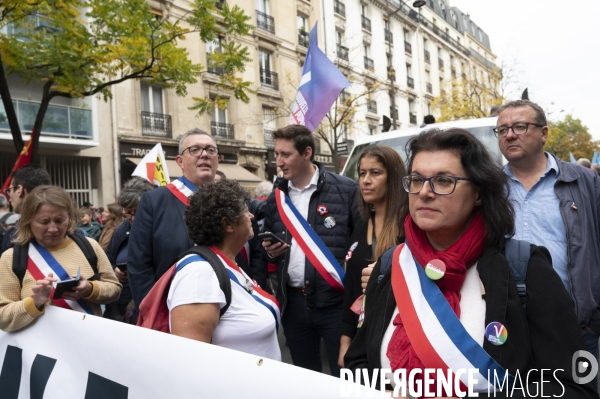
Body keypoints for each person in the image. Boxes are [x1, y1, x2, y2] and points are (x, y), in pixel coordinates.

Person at [344, 128, 597, 397]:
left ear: (478, 193)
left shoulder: (525, 268)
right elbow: (360, 363)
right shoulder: (392, 263)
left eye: (443, 181)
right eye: (416, 180)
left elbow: (575, 385)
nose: (425, 192)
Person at [496, 100, 600, 383]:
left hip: (578, 327)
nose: (510, 135)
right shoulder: (490, 188)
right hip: (508, 329)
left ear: (543, 133)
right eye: (502, 129)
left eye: (519, 126)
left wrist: (594, 318)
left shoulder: (584, 183)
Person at [260, 124, 360, 377]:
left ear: (307, 153)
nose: (278, 162)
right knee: (306, 377)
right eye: (276, 154)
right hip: (293, 304)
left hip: (336, 304)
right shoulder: (277, 197)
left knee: (346, 375)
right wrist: (272, 252)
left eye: (286, 154)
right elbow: (271, 252)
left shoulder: (346, 190)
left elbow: (360, 245)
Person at [168, 180, 281, 360]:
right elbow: (189, 361)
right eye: (245, 210)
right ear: (228, 224)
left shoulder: (226, 263)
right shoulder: (199, 275)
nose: (251, 215)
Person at [0, 185, 122, 332]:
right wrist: (35, 302)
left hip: (90, 342)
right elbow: (3, 318)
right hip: (42, 350)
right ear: (28, 221)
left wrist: (90, 289)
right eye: (44, 222)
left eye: (59, 220)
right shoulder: (11, 258)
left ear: (69, 218)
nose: (53, 229)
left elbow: (114, 289)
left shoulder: (89, 246)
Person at [128, 128, 219, 309]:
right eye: (195, 150)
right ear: (180, 161)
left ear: (217, 159)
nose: (204, 155)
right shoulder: (154, 201)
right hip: (170, 307)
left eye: (211, 150)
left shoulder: (229, 202)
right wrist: (153, 309)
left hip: (224, 305)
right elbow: (139, 263)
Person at [338, 145, 408, 367]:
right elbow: (351, 290)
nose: (366, 180)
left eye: (375, 173)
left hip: (393, 337)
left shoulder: (409, 228)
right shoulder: (360, 226)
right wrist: (345, 340)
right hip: (359, 340)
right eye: (362, 173)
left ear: (393, 178)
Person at [104, 178, 155, 322]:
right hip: (120, 306)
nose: (132, 219)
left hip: (149, 304)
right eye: (128, 213)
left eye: (136, 212)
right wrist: (115, 270)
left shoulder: (159, 230)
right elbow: (107, 261)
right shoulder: (121, 229)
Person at [2, 164, 51, 253]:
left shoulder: (12, 236)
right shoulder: (73, 232)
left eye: (9, 191)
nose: (9, 199)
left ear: (19, 190)